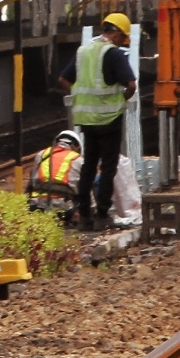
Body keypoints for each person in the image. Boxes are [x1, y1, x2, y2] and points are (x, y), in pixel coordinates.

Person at [56, 13, 136, 231]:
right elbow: (131, 84)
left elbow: (63, 78)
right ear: (117, 33)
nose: (122, 43)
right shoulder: (113, 54)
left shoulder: (83, 52)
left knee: (89, 166)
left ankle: (84, 217)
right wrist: (120, 100)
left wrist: (80, 96)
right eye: (123, 38)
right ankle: (102, 215)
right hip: (109, 118)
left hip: (86, 119)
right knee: (108, 166)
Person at [26, 128, 85, 221]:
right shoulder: (78, 159)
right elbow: (86, 190)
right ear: (76, 146)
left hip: (37, 206)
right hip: (64, 210)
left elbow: (33, 182)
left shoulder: (42, 154)